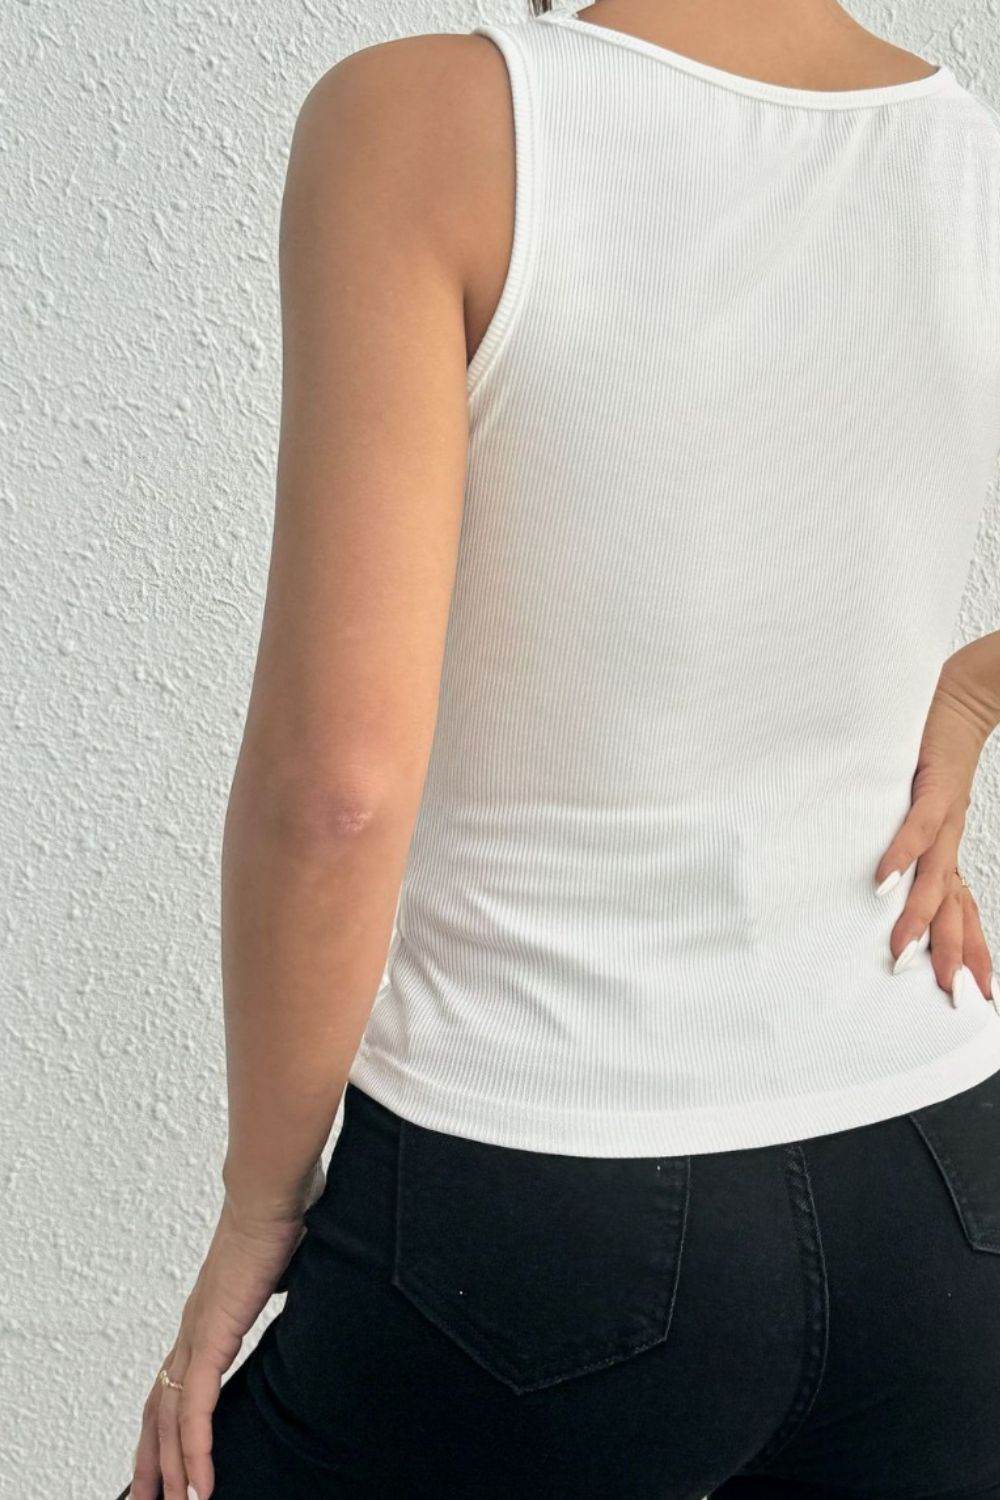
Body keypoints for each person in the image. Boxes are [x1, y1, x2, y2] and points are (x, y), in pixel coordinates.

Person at [122, 1, 1000, 1496]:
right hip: (946, 1182)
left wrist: (261, 1205)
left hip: (539, 1204)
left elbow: (336, 795)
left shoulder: (422, 122)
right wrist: (968, 696)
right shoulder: (968, 153)